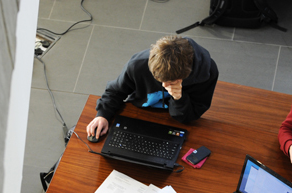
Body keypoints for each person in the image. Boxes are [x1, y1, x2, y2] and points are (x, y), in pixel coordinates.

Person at [86, 35, 219, 140]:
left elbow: (191, 116)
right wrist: (103, 115)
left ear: (182, 78)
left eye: (170, 82)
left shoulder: (207, 73)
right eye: (160, 81)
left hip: (178, 123)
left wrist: (179, 98)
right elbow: (116, 91)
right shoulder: (137, 65)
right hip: (139, 114)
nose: (164, 86)